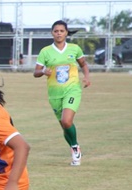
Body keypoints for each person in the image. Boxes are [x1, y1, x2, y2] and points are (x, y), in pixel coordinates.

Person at [34, 20, 91, 166]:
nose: (59, 33)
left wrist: (86, 77)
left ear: (66, 33)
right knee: (64, 126)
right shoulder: (45, 51)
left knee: (67, 120)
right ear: (52, 33)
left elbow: (83, 64)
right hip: (54, 94)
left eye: (61, 31)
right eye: (56, 31)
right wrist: (43, 71)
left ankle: (75, 150)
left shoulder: (74, 49)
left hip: (72, 90)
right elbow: (36, 72)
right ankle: (75, 146)